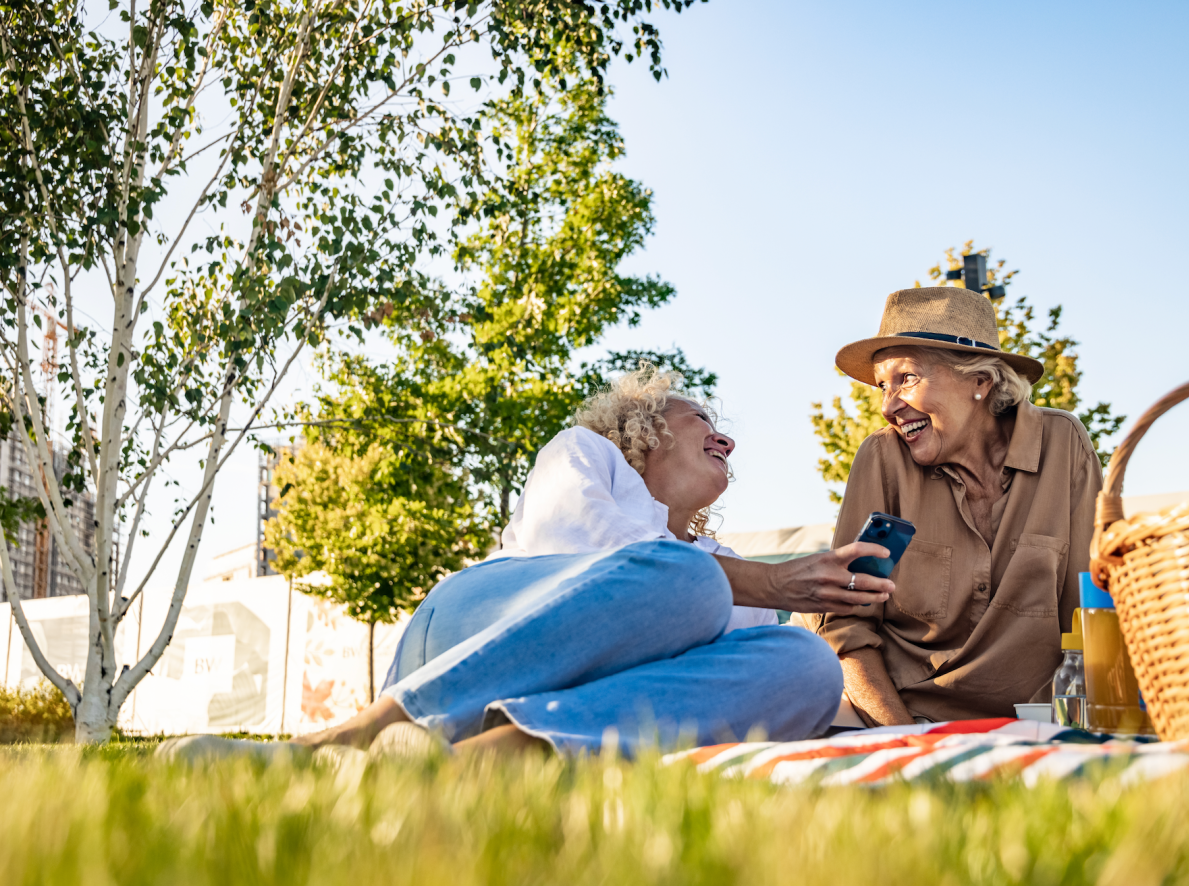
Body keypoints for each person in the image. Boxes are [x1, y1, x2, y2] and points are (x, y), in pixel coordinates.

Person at [293, 366, 896, 758]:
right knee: (687, 580)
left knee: (806, 662)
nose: (727, 441)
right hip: (471, 635)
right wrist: (771, 581)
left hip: (578, 696)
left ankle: (496, 757)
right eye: (702, 420)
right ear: (645, 426)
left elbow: (730, 679)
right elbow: (598, 550)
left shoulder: (721, 562)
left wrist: (885, 708)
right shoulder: (586, 454)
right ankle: (360, 732)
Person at [804, 286, 1103, 726]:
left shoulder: (1062, 444)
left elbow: (1092, 610)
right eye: (883, 386)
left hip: (1033, 716)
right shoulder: (884, 460)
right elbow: (848, 629)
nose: (888, 406)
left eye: (906, 378)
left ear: (980, 382)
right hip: (901, 713)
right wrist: (906, 742)